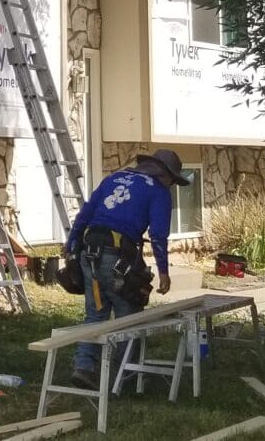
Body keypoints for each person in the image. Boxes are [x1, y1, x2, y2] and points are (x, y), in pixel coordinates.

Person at [63, 148, 190, 388]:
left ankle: (84, 367)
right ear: (165, 175)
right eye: (172, 181)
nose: (171, 185)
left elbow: (84, 216)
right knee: (128, 316)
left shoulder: (113, 179)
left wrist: (71, 246)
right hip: (118, 258)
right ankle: (120, 378)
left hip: (89, 252)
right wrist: (163, 272)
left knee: (95, 313)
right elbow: (159, 235)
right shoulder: (158, 191)